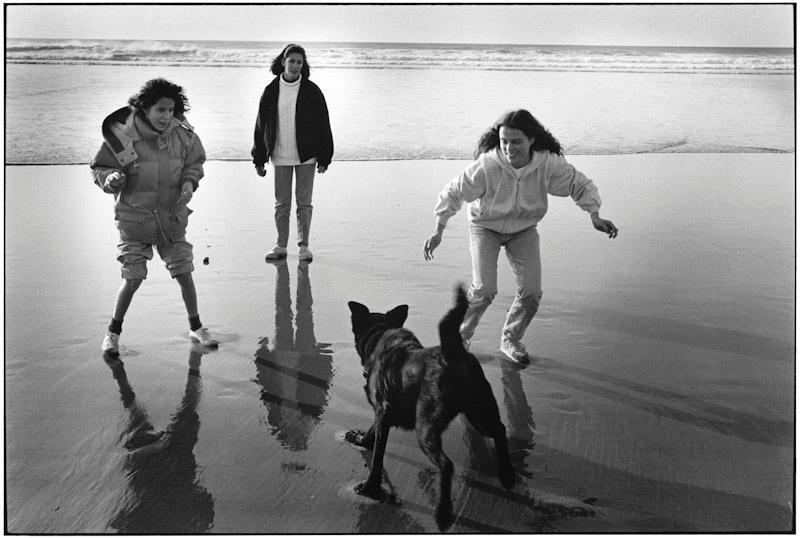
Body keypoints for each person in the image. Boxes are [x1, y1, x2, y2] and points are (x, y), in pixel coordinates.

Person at [423, 109, 618, 364]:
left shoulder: (546, 164)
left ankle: (511, 339)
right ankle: (460, 340)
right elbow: (454, 192)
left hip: (524, 230)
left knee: (531, 292)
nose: (508, 148)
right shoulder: (487, 165)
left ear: (531, 140)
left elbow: (578, 183)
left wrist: (594, 214)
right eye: (504, 141)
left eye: (516, 142)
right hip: (485, 227)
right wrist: (439, 229)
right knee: (484, 290)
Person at [91, 78, 219, 354]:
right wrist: (110, 179)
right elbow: (100, 167)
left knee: (184, 272)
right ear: (145, 109)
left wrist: (189, 183)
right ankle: (112, 333)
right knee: (133, 278)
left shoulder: (184, 136)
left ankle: (196, 327)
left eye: (171, 110)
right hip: (135, 220)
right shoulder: (123, 137)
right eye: (160, 110)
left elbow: (194, 163)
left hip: (172, 219)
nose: (166, 116)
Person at [252, 43, 334, 262]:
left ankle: (303, 247)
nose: (295, 65)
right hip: (280, 154)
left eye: (299, 62)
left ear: (303, 65)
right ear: (283, 62)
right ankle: (280, 246)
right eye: (292, 61)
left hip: (307, 155)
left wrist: (325, 157)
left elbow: (323, 124)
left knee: (304, 203)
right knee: (282, 204)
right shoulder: (271, 90)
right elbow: (260, 125)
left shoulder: (312, 91)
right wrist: (258, 158)